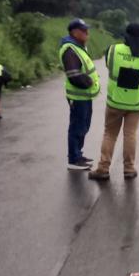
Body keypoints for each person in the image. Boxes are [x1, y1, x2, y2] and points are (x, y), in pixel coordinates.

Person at [89, 23, 139, 181]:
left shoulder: (113, 50)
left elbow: (108, 66)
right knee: (130, 135)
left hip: (115, 102)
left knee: (110, 134)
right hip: (136, 104)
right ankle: (129, 169)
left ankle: (103, 168)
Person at [59, 19, 101, 170]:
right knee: (77, 126)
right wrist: (88, 82)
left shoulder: (78, 47)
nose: (87, 33)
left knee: (83, 125)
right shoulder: (70, 50)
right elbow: (73, 75)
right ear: (75, 32)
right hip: (78, 96)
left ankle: (78, 153)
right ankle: (74, 158)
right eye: (84, 31)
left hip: (84, 96)